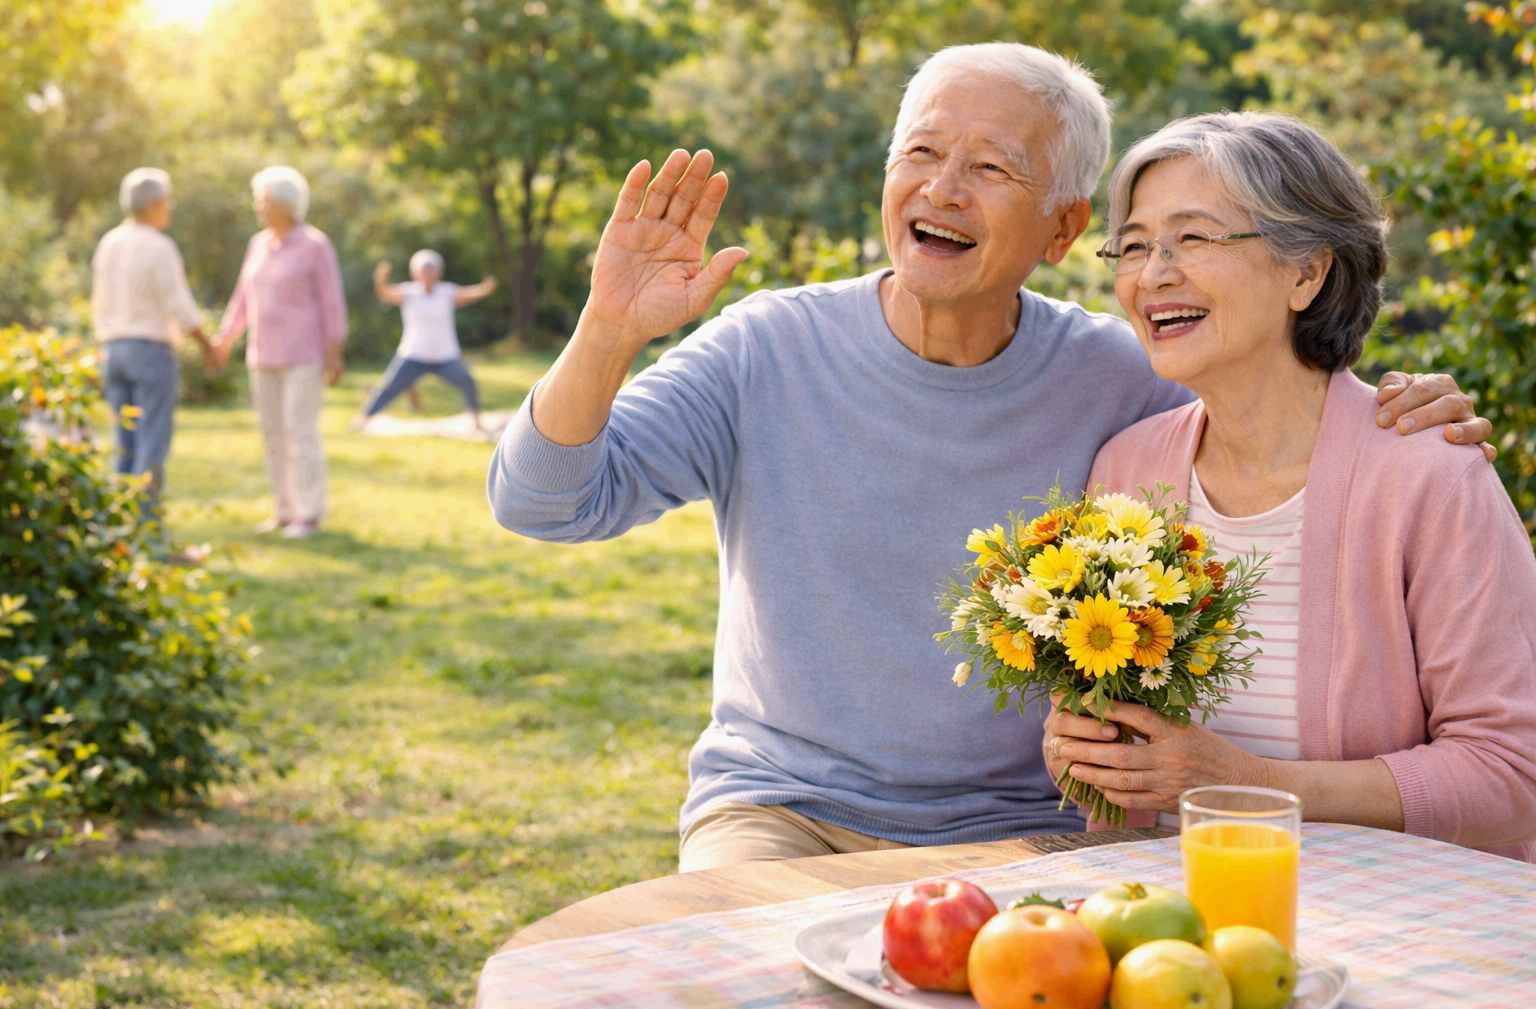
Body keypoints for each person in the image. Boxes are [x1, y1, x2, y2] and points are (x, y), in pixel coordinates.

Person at [486, 44, 1493, 872]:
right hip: (785, 811)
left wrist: (1405, 403)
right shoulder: (765, 349)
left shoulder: (1121, 380)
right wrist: (610, 330)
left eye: (992, 168)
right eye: (920, 153)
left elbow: (1270, 374)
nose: (942, 188)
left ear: (1062, 229)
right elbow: (544, 502)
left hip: (1031, 828)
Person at [1042, 111, 1536, 861]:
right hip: (1157, 920)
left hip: (1390, 918)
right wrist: (1085, 749)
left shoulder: (1430, 474)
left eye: (1194, 238)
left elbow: (1513, 773)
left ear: (1307, 271)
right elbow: (1114, 742)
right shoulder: (1126, 470)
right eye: (1135, 245)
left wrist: (1248, 783)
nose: (1152, 274)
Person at [214, 166, 348, 540]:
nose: (259, 207)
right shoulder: (257, 244)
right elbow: (243, 298)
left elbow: (332, 302)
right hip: (262, 355)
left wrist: (334, 351)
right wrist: (224, 338)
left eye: (264, 201)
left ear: (284, 205)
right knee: (272, 434)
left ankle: (309, 513)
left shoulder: (315, 245)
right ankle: (284, 509)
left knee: (299, 432)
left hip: (304, 354)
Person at [91, 168, 223, 522]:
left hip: (113, 350)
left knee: (124, 443)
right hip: (149, 351)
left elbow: (99, 303)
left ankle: (118, 531)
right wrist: (208, 345)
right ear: (153, 205)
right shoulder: (159, 246)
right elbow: (180, 307)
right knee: (151, 444)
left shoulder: (109, 243)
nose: (170, 208)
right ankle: (147, 537)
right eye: (167, 202)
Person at [355, 250, 497, 433]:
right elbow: (385, 291)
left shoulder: (446, 292)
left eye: (432, 270)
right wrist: (380, 279)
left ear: (439, 272)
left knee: (467, 381)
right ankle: (363, 418)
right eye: (424, 270)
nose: (428, 274)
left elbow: (469, 294)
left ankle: (476, 421)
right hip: (413, 355)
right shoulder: (408, 292)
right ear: (415, 273)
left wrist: (486, 288)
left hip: (445, 355)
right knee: (389, 387)